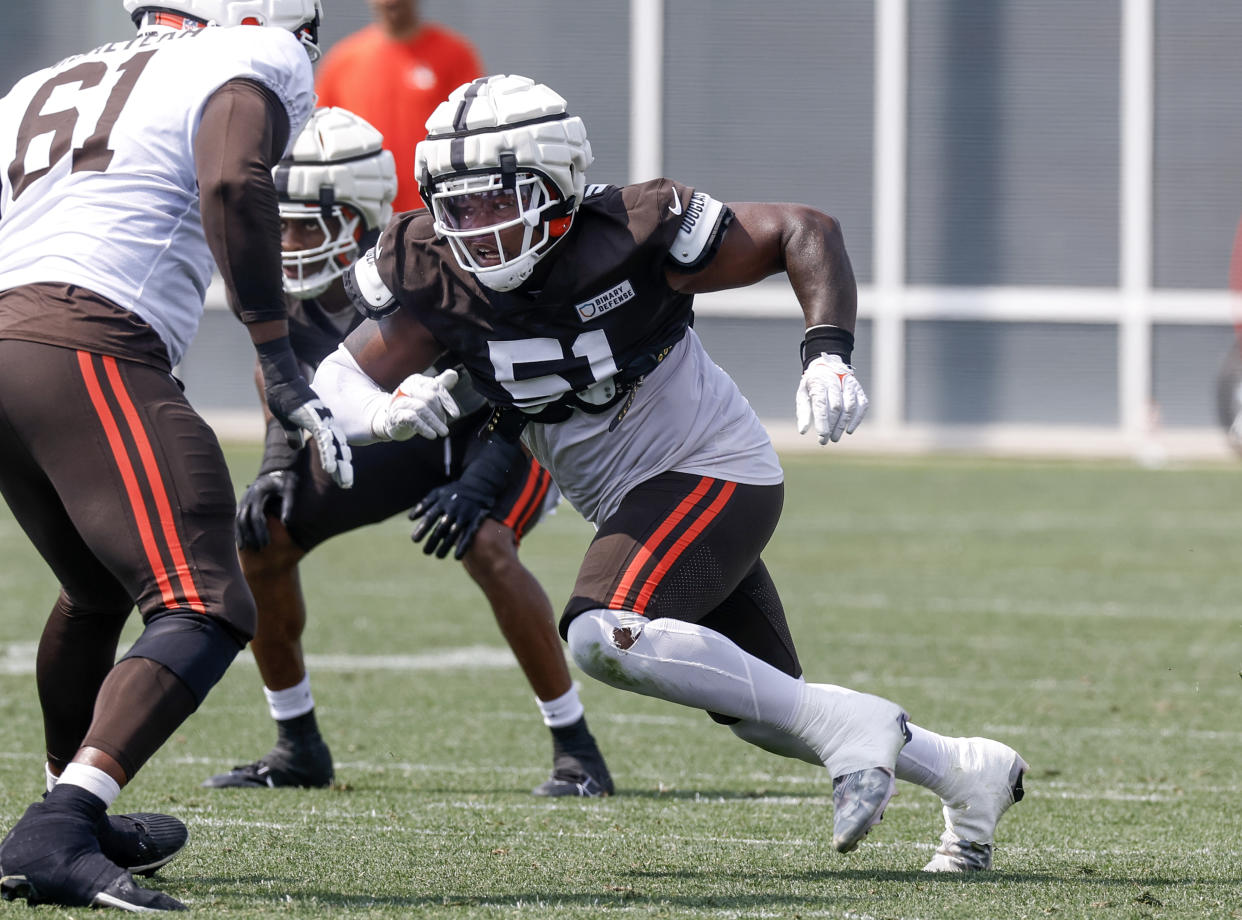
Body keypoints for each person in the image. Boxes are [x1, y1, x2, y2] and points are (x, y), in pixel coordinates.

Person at [312, 74, 1030, 872]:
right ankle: (969, 773)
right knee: (766, 708)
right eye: (458, 204)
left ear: (556, 186)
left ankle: (855, 731)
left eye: (495, 200)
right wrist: (378, 415)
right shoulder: (431, 270)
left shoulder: (633, 229)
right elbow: (336, 379)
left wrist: (826, 353)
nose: (474, 227)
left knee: (599, 631)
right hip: (638, 503)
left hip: (711, 470)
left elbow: (804, 228)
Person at [0, 0, 352, 913]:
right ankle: (59, 826)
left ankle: (66, 801)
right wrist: (275, 352)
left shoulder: (45, 80)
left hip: (11, 338)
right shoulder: (253, 49)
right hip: (89, 337)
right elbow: (234, 182)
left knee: (94, 588)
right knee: (204, 596)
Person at [202, 105, 613, 797]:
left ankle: (578, 751)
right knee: (262, 540)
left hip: (500, 432)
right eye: (281, 223)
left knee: (485, 542)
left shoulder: (429, 262)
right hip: (400, 436)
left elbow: (512, 380)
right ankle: (298, 743)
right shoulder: (290, 300)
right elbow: (283, 384)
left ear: (358, 220)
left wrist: (480, 481)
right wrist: (276, 466)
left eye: (307, 223)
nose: (288, 240)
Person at [315, 0, 482, 212]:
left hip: (434, 208)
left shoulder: (454, 54)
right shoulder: (342, 62)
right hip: (364, 210)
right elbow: (322, 139)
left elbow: (472, 130)